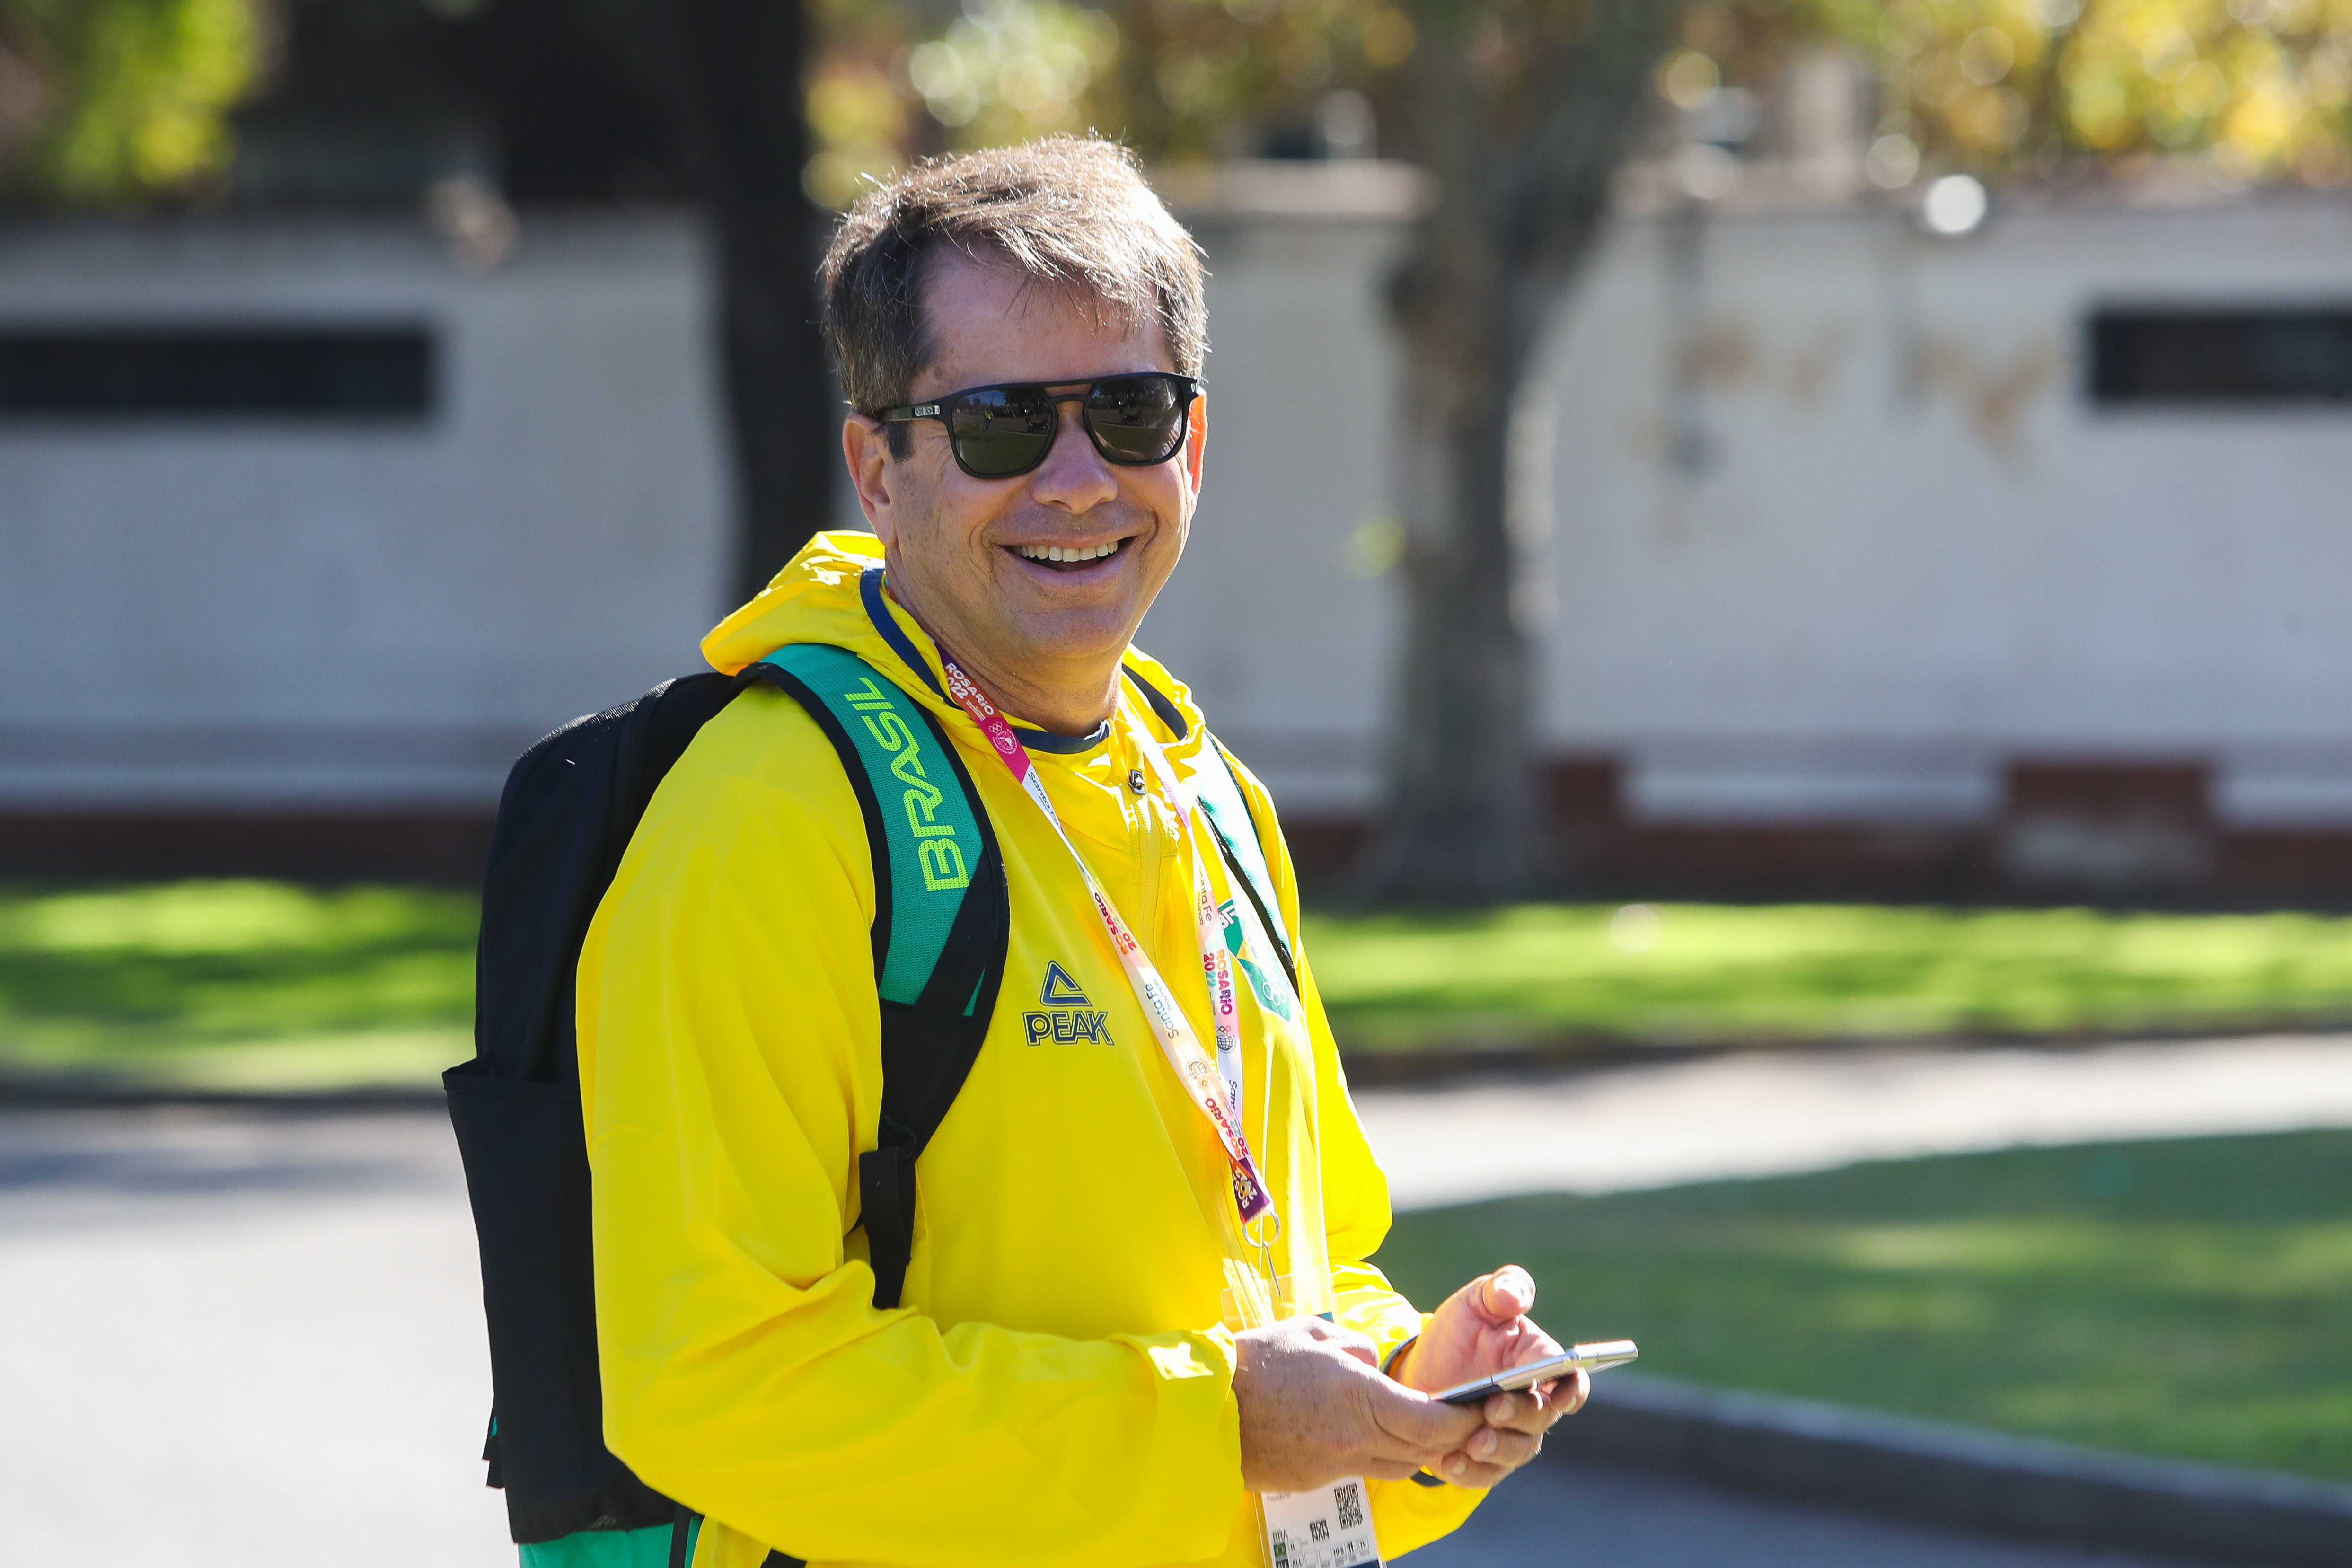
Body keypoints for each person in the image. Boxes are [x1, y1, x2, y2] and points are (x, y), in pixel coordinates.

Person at [576, 137, 1585, 1568]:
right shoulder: (773, 815)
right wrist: (1218, 1428)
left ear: (1195, 442)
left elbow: (1285, 1269)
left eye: (1127, 410)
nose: (1074, 479)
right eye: (997, 423)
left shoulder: (1206, 791)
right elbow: (709, 1380)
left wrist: (1412, 1388)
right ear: (879, 464)